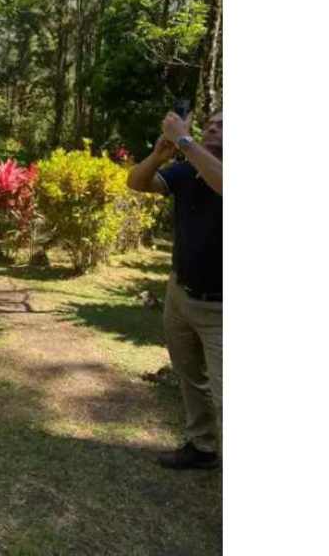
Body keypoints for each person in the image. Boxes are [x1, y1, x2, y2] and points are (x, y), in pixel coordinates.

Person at [128, 108, 223, 470]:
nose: (213, 129)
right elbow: (136, 182)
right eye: (210, 124)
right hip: (180, 295)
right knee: (190, 377)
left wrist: (185, 139)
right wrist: (158, 156)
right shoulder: (187, 171)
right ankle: (202, 447)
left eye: (223, 126)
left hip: (222, 309)